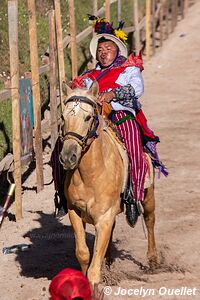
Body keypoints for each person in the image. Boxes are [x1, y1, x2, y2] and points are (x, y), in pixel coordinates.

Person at [70, 16, 167, 227]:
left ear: (117, 50)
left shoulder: (129, 70)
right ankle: (63, 193)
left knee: (132, 140)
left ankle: (133, 192)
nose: (103, 53)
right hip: (95, 119)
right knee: (67, 140)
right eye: (100, 50)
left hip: (119, 115)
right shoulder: (89, 76)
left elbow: (137, 90)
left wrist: (113, 94)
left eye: (108, 48)